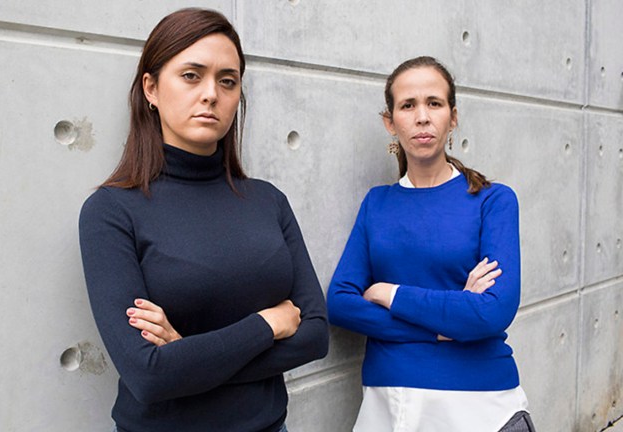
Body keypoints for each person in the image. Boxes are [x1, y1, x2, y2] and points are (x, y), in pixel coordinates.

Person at [78, 8, 328, 432]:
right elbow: (150, 375)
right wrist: (268, 324)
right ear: (151, 88)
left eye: (227, 80)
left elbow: (316, 335)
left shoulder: (268, 201)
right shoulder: (112, 211)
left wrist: (187, 355)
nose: (211, 93)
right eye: (192, 75)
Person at [326, 56, 535, 432]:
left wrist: (391, 293)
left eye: (434, 103)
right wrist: (441, 327)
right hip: (389, 401)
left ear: (452, 117)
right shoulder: (378, 202)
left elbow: (492, 312)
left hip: (481, 399)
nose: (422, 117)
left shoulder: (494, 200)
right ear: (390, 122)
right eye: (408, 105)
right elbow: (340, 303)